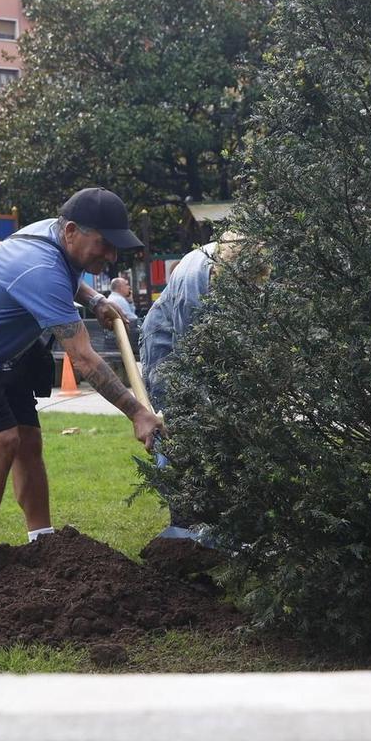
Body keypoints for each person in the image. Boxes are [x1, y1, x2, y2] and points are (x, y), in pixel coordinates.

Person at [0, 186, 164, 546]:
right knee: (3, 441)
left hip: (7, 351)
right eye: (105, 244)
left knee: (29, 442)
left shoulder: (52, 235)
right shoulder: (39, 265)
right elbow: (83, 359)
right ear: (71, 231)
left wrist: (95, 298)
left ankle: (43, 540)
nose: (112, 256)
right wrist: (137, 413)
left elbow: (66, 277)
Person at [138, 231, 244, 541]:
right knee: (177, 423)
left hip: (206, 343)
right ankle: (183, 519)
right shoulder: (193, 287)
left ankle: (217, 510)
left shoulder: (244, 258)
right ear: (219, 272)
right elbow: (191, 362)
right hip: (167, 348)